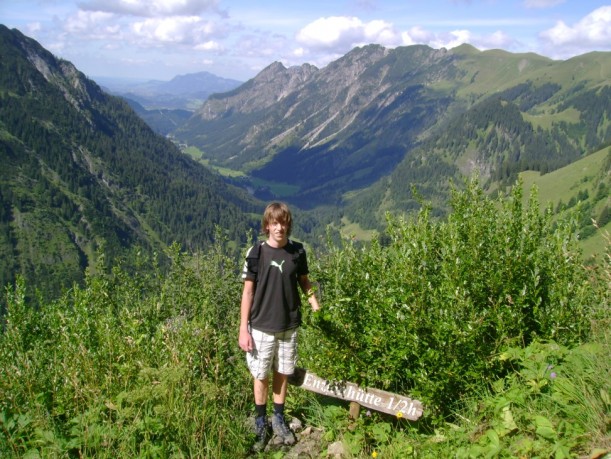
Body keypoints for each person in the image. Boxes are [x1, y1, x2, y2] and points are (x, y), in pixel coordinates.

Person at [239, 202, 321, 451]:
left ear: (288, 225)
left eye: (283, 222)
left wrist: (316, 306)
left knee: (283, 372)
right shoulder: (256, 253)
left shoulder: (297, 252)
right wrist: (243, 328)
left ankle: (278, 418)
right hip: (261, 325)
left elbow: (304, 282)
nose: (280, 227)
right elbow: (248, 292)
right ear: (267, 226)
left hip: (289, 326)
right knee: (261, 375)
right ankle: (261, 422)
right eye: (275, 223)